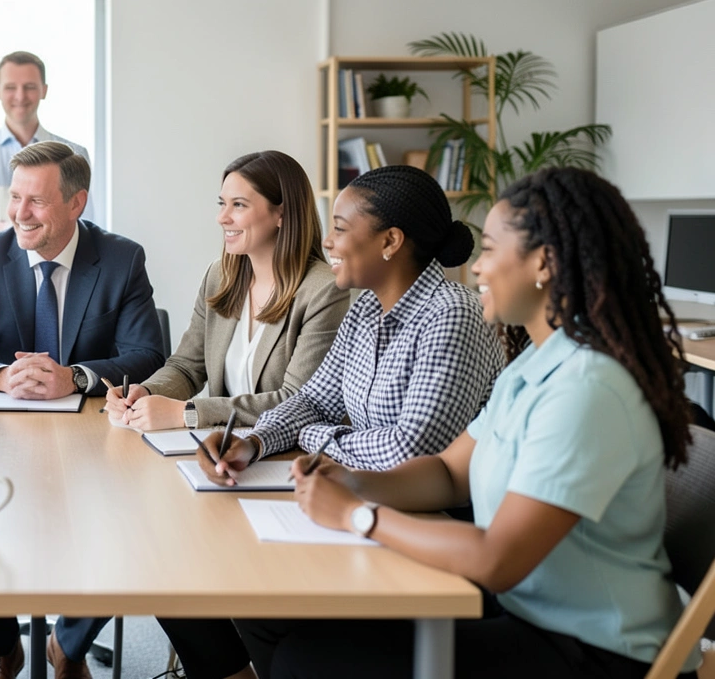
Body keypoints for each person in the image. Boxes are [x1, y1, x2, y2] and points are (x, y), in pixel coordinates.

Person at [246, 167, 702, 678]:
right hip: (524, 610)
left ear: (543, 264)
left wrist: (358, 513)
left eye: (489, 250)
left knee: (306, 660)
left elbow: (496, 559)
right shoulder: (535, 365)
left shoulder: (588, 388)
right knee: (281, 618)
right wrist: (352, 481)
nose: (477, 268)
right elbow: (447, 472)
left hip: (596, 649)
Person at [162, 164, 504, 679]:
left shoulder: (450, 314)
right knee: (213, 580)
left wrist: (319, 440)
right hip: (367, 503)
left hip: (436, 531)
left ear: (390, 241)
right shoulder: (367, 310)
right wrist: (251, 445)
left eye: (341, 228)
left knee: (274, 610)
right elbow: (313, 401)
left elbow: (410, 454)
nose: (327, 240)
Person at [0, 140, 165, 678]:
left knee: (128, 523)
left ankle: (68, 644)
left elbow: (148, 353)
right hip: (3, 432)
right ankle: (3, 645)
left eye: (35, 201)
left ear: (76, 203)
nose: (19, 213)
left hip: (94, 436)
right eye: (16, 198)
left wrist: (76, 376)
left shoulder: (121, 257)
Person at [104, 151, 348, 430]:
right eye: (222, 203)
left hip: (288, 456)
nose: (222, 217)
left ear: (281, 213)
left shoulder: (324, 290)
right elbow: (187, 367)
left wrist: (187, 413)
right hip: (222, 448)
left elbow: (298, 400)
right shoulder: (219, 276)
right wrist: (145, 392)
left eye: (239, 205)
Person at [0, 50, 94, 250]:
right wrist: (3, 229)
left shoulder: (74, 154)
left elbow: (87, 225)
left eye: (29, 87)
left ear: (44, 90)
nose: (20, 96)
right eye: (10, 87)